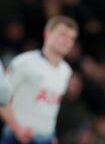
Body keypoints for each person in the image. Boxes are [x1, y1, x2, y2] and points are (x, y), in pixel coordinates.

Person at [0, 15, 78, 144]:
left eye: (72, 38)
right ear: (47, 34)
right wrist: (17, 129)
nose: (67, 41)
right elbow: (1, 98)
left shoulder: (66, 71)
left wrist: (51, 134)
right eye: (63, 34)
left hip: (45, 139)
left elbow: (51, 108)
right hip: (15, 137)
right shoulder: (24, 62)